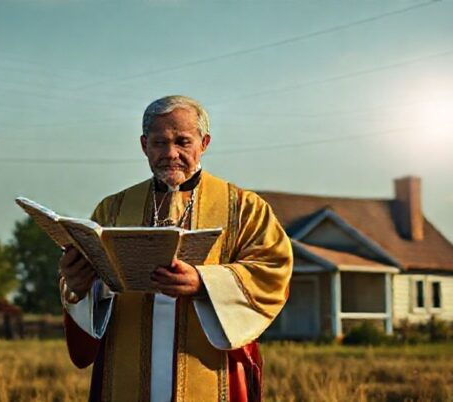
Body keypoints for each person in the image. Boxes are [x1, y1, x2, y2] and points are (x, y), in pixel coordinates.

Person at [59, 95, 293, 402]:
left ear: (204, 142)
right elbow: (86, 285)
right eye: (159, 143)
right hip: (125, 371)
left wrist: (204, 283)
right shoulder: (112, 210)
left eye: (183, 141)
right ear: (144, 145)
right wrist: (78, 287)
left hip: (209, 370)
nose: (171, 153)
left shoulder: (243, 208)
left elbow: (274, 269)